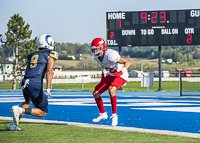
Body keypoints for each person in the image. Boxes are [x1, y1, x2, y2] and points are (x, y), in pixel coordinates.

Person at [8, 34, 58, 131]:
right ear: (49, 42)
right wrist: (48, 88)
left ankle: (13, 124)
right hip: (35, 83)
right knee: (43, 111)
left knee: (28, 101)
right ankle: (20, 110)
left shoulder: (32, 55)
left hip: (24, 82)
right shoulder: (51, 53)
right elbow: (49, 70)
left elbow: (28, 70)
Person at [90, 38, 131, 127]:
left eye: (96, 48)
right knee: (96, 92)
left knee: (111, 90)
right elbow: (106, 67)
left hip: (121, 74)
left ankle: (114, 116)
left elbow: (127, 62)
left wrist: (121, 72)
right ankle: (102, 114)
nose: (95, 51)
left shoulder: (111, 54)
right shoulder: (96, 58)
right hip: (111, 74)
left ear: (102, 48)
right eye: (94, 49)